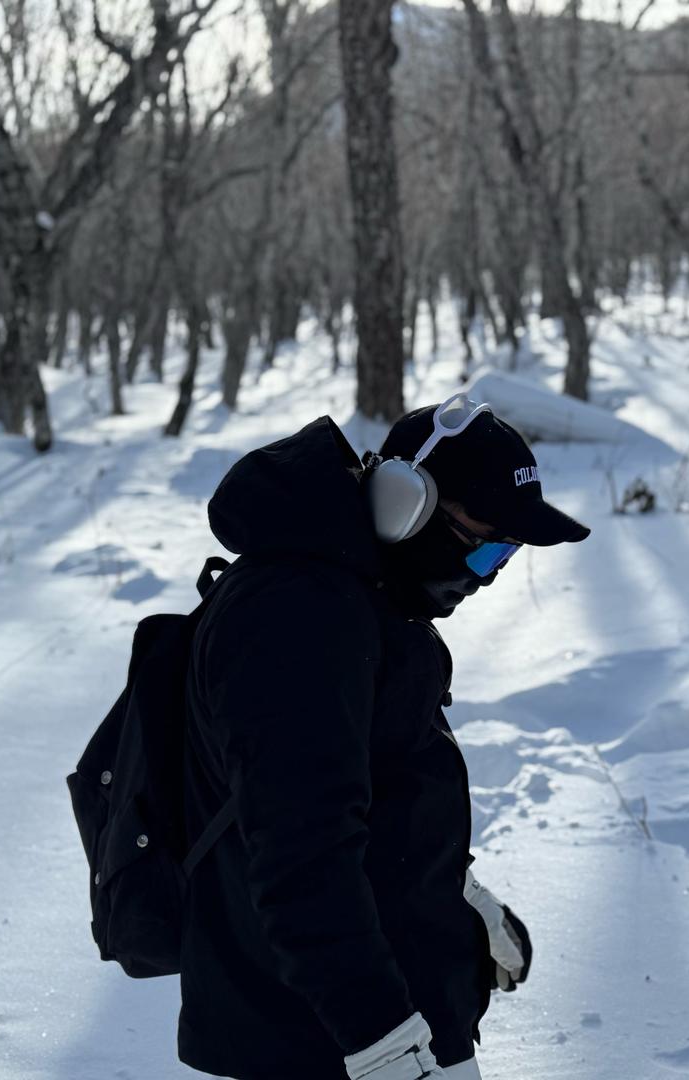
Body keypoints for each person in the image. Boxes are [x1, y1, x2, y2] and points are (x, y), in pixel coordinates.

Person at [178, 394, 590, 1080]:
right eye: (485, 545)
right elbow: (302, 859)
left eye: (506, 556)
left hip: (403, 1020)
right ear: (406, 502)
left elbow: (372, 790)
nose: (486, 577)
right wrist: (386, 1051)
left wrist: (456, 893)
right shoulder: (298, 621)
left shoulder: (371, 596)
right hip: (329, 1044)